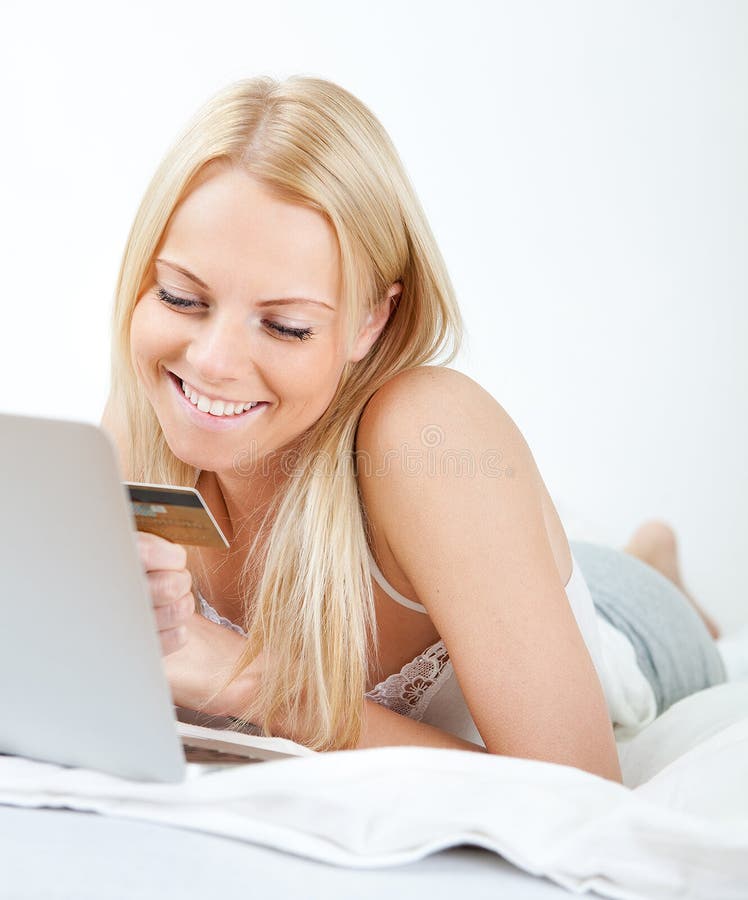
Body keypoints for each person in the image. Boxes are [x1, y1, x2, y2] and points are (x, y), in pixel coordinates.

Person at [100, 75, 727, 786]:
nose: (209, 363)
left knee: (628, 590)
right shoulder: (147, 412)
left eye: (286, 324)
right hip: (479, 560)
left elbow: (581, 791)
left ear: (373, 320)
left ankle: (653, 562)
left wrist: (247, 679)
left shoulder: (429, 435)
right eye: (181, 296)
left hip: (635, 632)